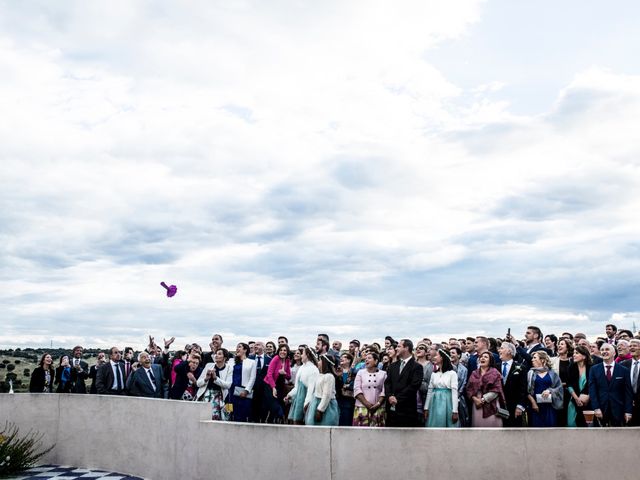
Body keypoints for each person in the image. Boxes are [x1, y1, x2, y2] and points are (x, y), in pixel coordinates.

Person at [589, 343, 633, 426]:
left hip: (619, 410)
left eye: (607, 349)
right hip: (601, 409)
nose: (604, 352)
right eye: (602, 350)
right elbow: (592, 390)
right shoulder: (594, 369)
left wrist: (628, 411)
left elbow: (628, 392)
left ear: (614, 353)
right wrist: (596, 408)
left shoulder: (624, 370)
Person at [384, 339, 423, 427]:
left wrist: (397, 399)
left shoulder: (417, 367)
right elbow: (387, 383)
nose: (396, 349)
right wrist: (390, 396)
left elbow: (414, 386)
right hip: (391, 411)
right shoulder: (393, 366)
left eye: (398, 346)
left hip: (406, 410)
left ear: (406, 348)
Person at [466, 351, 506, 427]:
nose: (482, 358)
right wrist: (475, 399)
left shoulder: (495, 373)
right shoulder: (474, 373)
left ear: (490, 360)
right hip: (477, 404)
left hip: (491, 403)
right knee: (478, 425)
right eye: (481, 357)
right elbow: (469, 388)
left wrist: (482, 400)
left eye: (486, 357)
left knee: (490, 426)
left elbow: (497, 390)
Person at [526, 351, 563, 428]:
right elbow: (526, 390)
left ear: (542, 360)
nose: (532, 360)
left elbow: (559, 387)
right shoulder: (530, 373)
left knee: (550, 428)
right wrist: (533, 403)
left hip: (550, 406)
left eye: (535, 358)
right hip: (535, 406)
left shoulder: (552, 373)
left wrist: (550, 390)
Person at [423, 349, 458, 427]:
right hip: (434, 402)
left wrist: (455, 411)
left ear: (442, 358)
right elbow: (429, 391)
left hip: (447, 403)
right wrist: (426, 408)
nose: (434, 357)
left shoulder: (452, 374)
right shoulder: (434, 374)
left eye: (436, 355)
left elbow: (454, 392)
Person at [196, 348, 233, 421]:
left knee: (220, 419)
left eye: (219, 354)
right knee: (203, 418)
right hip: (206, 396)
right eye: (216, 354)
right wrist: (206, 378)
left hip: (221, 398)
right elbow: (198, 383)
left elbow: (228, 385)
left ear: (225, 358)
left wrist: (216, 378)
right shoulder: (209, 365)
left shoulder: (229, 368)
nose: (216, 355)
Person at [285, 347, 319, 424]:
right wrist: (289, 395)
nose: (301, 356)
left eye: (302, 354)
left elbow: (311, 389)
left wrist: (306, 404)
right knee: (294, 423)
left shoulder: (313, 369)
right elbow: (297, 387)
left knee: (301, 424)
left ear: (307, 355)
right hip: (298, 400)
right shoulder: (302, 368)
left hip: (305, 401)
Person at [352, 352, 386, 427]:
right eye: (366, 358)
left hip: (378, 408)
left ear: (376, 361)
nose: (366, 360)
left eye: (369, 358)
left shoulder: (383, 374)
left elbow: (384, 391)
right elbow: (357, 389)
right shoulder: (360, 372)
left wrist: (377, 404)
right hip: (362, 407)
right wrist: (367, 404)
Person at [305, 354, 339, 426]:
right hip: (316, 402)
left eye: (320, 360)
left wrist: (320, 410)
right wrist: (310, 402)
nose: (318, 362)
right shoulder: (320, 375)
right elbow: (315, 391)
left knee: (325, 424)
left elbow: (326, 395)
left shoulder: (329, 376)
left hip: (325, 405)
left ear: (325, 362)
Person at [498, 342, 527, 427]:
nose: (499, 350)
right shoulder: (495, 367)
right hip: (499, 405)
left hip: (514, 406)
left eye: (502, 348)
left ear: (509, 351)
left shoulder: (521, 368)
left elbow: (523, 388)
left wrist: (520, 406)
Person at [263, 344, 291, 423]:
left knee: (279, 403)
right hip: (270, 384)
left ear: (287, 352)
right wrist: (273, 388)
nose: (282, 352)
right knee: (273, 404)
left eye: (285, 350)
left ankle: (271, 421)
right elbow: (269, 374)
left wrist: (284, 373)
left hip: (280, 385)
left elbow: (289, 376)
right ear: (278, 351)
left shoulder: (287, 360)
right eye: (281, 350)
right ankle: (279, 416)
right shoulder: (275, 359)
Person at [229, 343, 257, 422]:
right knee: (230, 411)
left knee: (243, 413)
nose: (237, 349)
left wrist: (246, 390)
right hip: (231, 391)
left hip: (243, 391)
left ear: (245, 350)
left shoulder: (252, 362)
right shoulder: (231, 361)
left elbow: (253, 378)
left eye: (239, 347)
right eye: (236, 347)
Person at [567, 344, 592, 427]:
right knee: (571, 423)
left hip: (588, 401)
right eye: (574, 353)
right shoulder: (571, 367)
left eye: (577, 353)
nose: (574, 355)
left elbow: (593, 384)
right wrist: (576, 399)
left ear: (584, 356)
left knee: (586, 424)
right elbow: (569, 384)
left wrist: (588, 397)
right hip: (574, 399)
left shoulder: (591, 367)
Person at [249, 341, 271, 422]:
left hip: (264, 389)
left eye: (258, 345)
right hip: (252, 389)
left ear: (263, 347)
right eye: (254, 345)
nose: (255, 346)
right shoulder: (249, 359)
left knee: (264, 409)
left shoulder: (269, 360)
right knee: (253, 410)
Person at [620, 339, 640, 426]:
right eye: (630, 346)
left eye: (634, 346)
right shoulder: (623, 365)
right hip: (628, 407)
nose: (632, 348)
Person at [449, 347, 469, 427]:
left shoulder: (464, 369)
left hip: (459, 397)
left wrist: (456, 395)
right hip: (447, 396)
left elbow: (464, 383)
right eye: (450, 353)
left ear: (459, 355)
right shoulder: (446, 367)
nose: (451, 354)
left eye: (453, 353)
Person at [336, 353, 356, 426]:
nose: (341, 358)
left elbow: (353, 385)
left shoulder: (353, 372)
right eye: (341, 357)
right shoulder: (336, 371)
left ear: (349, 360)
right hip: (337, 399)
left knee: (346, 421)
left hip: (348, 400)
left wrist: (346, 386)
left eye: (344, 357)